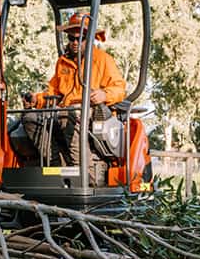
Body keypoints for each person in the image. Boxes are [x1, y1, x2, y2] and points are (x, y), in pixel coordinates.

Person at [22, 13, 127, 167]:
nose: (75, 42)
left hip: (91, 111)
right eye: (72, 38)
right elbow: (53, 93)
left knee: (68, 115)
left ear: (90, 38)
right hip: (66, 112)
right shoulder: (62, 63)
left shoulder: (103, 60)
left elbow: (120, 89)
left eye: (80, 38)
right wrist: (36, 99)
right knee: (29, 118)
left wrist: (104, 94)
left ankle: (84, 172)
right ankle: (56, 165)